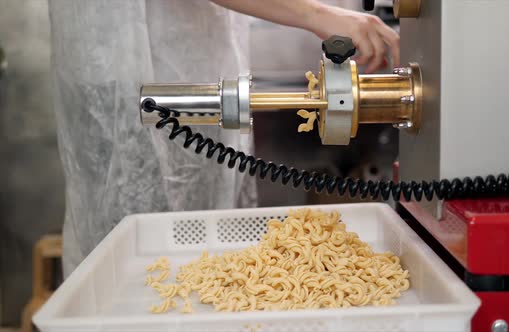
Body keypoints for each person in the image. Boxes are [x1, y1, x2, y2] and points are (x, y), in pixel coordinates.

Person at [48, 0, 400, 276]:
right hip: (135, 78)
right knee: (136, 265)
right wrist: (317, 14)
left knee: (195, 265)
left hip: (178, 70)